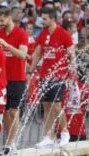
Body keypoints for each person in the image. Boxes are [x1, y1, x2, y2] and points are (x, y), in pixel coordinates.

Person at [28, 7, 75, 148]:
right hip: (45, 76)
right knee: (46, 105)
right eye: (42, 18)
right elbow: (37, 54)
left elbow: (72, 54)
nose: (42, 20)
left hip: (59, 76)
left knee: (56, 105)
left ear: (53, 19)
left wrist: (70, 74)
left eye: (45, 18)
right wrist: (30, 71)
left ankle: (65, 132)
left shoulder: (64, 34)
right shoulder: (43, 33)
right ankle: (49, 136)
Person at [0, 6, 28, 156]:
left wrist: (7, 45)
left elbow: (22, 55)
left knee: (14, 112)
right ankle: (8, 143)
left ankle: (11, 144)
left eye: (1, 20)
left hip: (17, 78)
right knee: (5, 112)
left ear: (9, 17)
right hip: (2, 79)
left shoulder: (21, 33)